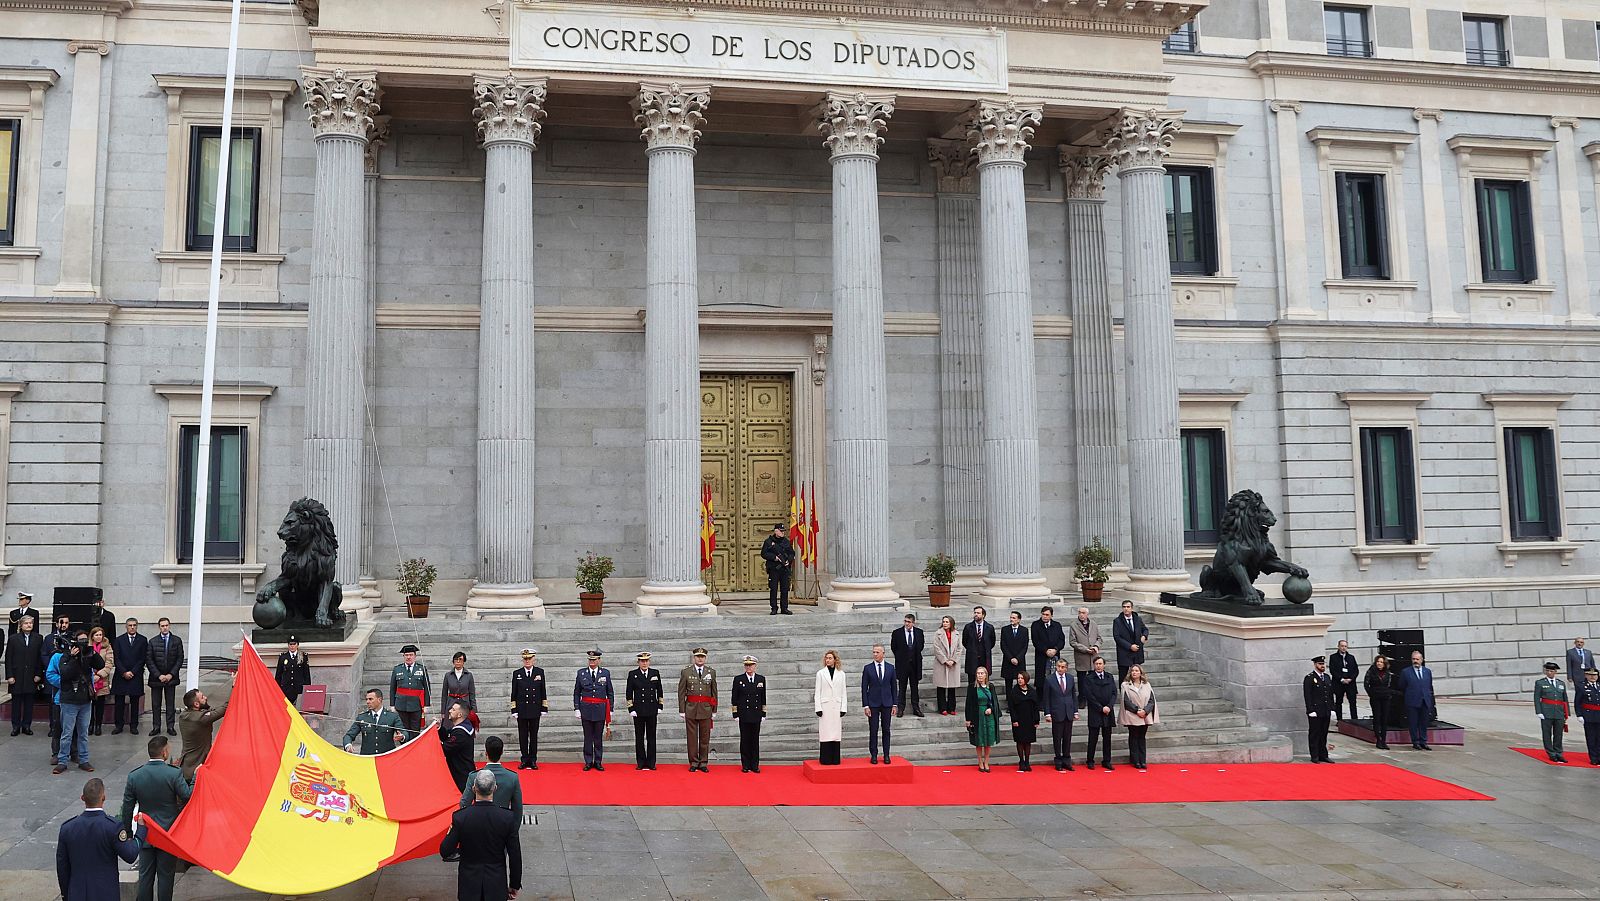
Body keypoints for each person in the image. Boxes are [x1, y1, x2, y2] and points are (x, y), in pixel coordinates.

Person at [122, 735, 191, 901]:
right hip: (167, 834)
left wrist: (130, 835)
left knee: (145, 876)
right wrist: (196, 777)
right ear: (165, 752)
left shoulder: (135, 776)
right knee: (166, 877)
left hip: (145, 834)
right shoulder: (173, 774)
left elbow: (127, 808)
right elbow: (187, 795)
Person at [440, 769, 522, 901]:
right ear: (495, 788)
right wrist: (514, 884)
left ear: (473, 788)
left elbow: (445, 850)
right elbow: (515, 855)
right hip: (496, 885)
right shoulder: (507, 818)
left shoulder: (461, 817)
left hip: (469, 886)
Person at [57, 777, 139, 901]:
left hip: (78, 894)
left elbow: (62, 867)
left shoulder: (67, 828)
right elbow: (130, 855)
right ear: (103, 798)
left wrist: (66, 894)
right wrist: (141, 831)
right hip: (106, 894)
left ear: (82, 798)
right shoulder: (112, 827)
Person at [48, 632, 104, 774]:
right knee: (67, 733)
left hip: (85, 700)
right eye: (81, 641)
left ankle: (84, 760)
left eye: (85, 640)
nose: (83, 643)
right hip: (69, 701)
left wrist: (91, 651)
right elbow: (65, 674)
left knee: (83, 733)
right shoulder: (64, 656)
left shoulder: (88, 655)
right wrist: (73, 657)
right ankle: (62, 761)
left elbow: (100, 664)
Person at [462, 735, 523, 817]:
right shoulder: (512, 777)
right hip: (503, 822)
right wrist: (513, 829)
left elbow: (464, 804)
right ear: (501, 752)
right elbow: (517, 809)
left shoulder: (474, 776)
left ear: (486, 753)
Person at [177, 685, 228, 782]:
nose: (205, 698)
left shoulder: (184, 715)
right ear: (196, 704)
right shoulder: (200, 718)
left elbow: (210, 711)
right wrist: (234, 686)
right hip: (196, 770)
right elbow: (225, 708)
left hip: (186, 767)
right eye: (202, 697)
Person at [677, 647, 715, 772]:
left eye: (702, 656)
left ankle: (703, 762)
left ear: (705, 658)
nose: (700, 658)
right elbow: (681, 692)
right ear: (694, 658)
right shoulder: (686, 672)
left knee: (705, 737)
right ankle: (693, 762)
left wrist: (714, 709)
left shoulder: (711, 672)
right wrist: (682, 709)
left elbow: (714, 692)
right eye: (698, 656)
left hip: (705, 709)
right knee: (692, 738)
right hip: (691, 708)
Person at [574, 649, 613, 771]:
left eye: (594, 660)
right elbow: (576, 692)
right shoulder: (581, 673)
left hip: (600, 709)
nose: (592, 662)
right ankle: (588, 761)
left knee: (598, 737)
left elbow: (610, 692)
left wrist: (610, 708)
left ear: (599, 660)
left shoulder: (605, 673)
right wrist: (577, 708)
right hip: (586, 708)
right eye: (590, 660)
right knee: (588, 737)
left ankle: (598, 761)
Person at [508, 649, 547, 770]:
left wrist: (544, 707)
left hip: (535, 709)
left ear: (534, 659)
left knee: (534, 736)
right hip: (522, 709)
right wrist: (514, 710)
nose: (527, 661)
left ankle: (533, 759)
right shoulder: (517, 673)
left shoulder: (539, 672)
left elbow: (542, 691)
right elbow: (513, 693)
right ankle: (524, 759)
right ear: (522, 660)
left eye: (529, 658)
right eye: (525, 659)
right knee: (523, 736)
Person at [145, 618, 183, 737]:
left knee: (170, 703)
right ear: (159, 627)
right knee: (156, 704)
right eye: (162, 626)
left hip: (171, 677)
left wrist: (171, 674)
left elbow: (179, 658)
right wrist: (159, 675)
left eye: (166, 625)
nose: (164, 627)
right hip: (157, 678)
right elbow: (149, 660)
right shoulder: (153, 641)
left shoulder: (176, 640)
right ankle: (156, 726)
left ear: (169, 626)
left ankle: (170, 726)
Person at [5, 613, 41, 736]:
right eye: (26, 623)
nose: (29, 625)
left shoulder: (38, 638)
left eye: (30, 623)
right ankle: (15, 726)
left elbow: (39, 659)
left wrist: (38, 674)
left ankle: (26, 725)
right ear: (21, 625)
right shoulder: (13, 639)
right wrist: (9, 675)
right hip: (17, 676)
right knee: (16, 703)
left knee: (29, 703)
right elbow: (8, 658)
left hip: (31, 676)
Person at [625, 651, 663, 770]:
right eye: (642, 661)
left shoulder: (655, 673)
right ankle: (641, 762)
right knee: (639, 737)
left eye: (646, 661)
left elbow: (659, 690)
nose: (644, 663)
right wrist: (631, 708)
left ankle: (651, 762)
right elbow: (629, 692)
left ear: (649, 661)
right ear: (638, 662)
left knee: (652, 737)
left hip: (652, 709)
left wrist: (660, 705)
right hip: (639, 710)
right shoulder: (633, 674)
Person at [861, 643, 896, 764]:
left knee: (886, 730)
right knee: (873, 730)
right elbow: (864, 688)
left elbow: (894, 687)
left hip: (887, 703)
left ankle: (886, 755)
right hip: (873, 703)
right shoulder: (868, 668)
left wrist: (894, 704)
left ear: (883, 654)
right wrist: (866, 705)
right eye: (874, 652)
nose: (875, 654)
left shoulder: (891, 668)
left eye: (877, 652)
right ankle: (874, 755)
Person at [1119, 664, 1159, 770]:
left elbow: (1151, 700)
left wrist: (1145, 711)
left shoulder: (1147, 685)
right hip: (1132, 714)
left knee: (1142, 737)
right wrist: (1137, 710)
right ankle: (1135, 760)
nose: (1134, 672)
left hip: (1145, 715)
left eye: (1137, 671)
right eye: (1133, 671)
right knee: (1133, 736)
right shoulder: (1125, 685)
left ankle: (1142, 760)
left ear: (1141, 673)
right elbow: (1126, 701)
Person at [731, 654, 767, 772]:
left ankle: (755, 765)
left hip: (756, 714)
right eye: (746, 665)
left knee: (755, 740)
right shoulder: (738, 679)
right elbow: (734, 698)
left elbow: (763, 697)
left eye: (751, 665)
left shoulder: (761, 679)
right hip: (744, 714)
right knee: (745, 740)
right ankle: (745, 765)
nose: (748, 667)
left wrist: (763, 713)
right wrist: (735, 714)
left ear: (755, 666)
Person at [344, 688, 406, 755]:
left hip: (387, 757)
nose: (367, 702)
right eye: (366, 699)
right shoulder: (362, 717)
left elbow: (404, 732)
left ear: (379, 700)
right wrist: (348, 745)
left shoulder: (392, 716)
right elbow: (349, 735)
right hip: (368, 758)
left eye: (370, 699)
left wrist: (402, 736)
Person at [112, 619, 147, 734]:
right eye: (130, 625)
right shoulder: (119, 640)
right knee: (119, 702)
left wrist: (133, 672)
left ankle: (133, 725)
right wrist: (124, 672)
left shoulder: (142, 640)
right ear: (126, 627)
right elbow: (116, 658)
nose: (132, 627)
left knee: (135, 701)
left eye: (134, 625)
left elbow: (142, 658)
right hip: (121, 675)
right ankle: (119, 725)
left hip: (135, 675)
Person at [1081, 656, 1117, 770]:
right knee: (1093, 737)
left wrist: (1109, 706)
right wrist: (1100, 708)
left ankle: (1107, 760)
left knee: (1107, 738)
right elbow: (1089, 695)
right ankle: (1090, 760)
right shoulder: (1088, 678)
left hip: (1108, 711)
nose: (1098, 666)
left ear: (1104, 665)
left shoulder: (1109, 676)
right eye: (1096, 663)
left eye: (1100, 663)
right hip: (1095, 711)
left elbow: (1114, 693)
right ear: (1093, 665)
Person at [1043, 658, 1078, 771]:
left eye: (1063, 667)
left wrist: (1075, 711)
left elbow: (1073, 696)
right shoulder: (1049, 679)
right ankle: (1058, 760)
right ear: (1056, 667)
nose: (1060, 669)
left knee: (1067, 738)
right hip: (1056, 712)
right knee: (1057, 738)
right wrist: (1047, 713)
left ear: (1066, 668)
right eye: (1059, 666)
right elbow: (1046, 698)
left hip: (1068, 712)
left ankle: (1067, 760)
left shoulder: (1070, 678)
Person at [390, 643, 430, 742]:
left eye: (411, 655)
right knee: (402, 730)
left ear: (415, 656)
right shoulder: (397, 669)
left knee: (415, 731)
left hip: (416, 705)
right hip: (401, 705)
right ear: (403, 656)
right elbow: (392, 688)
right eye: (406, 655)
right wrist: (392, 704)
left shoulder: (421, 669)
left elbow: (427, 687)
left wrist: (426, 704)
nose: (409, 657)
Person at [44, 614, 73, 751]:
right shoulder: (49, 639)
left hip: (74, 692)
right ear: (57, 624)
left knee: (74, 727)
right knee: (57, 722)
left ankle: (74, 752)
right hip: (58, 685)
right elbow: (44, 655)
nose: (64, 625)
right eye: (62, 623)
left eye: (66, 622)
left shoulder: (72, 638)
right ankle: (56, 752)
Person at [965, 666, 1000, 772]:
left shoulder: (991, 687)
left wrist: (991, 709)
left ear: (986, 675)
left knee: (988, 740)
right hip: (977, 715)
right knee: (979, 740)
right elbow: (968, 704)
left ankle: (986, 762)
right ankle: (980, 761)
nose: (980, 675)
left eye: (982, 673)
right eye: (978, 673)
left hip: (989, 716)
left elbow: (995, 702)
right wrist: (968, 719)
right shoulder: (972, 687)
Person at [814, 650, 847, 765]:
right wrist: (818, 707)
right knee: (825, 732)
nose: (828, 660)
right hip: (825, 707)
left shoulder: (841, 674)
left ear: (835, 659)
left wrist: (843, 708)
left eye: (830, 658)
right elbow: (817, 692)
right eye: (826, 658)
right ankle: (825, 759)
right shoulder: (820, 673)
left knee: (836, 733)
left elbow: (844, 692)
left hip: (836, 707)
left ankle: (835, 759)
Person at [1398, 650, 1435, 750]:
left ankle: (1423, 741)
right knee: (1413, 723)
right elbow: (1402, 685)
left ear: (1422, 660)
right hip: (1412, 701)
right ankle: (1415, 741)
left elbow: (1429, 686)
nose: (1415, 661)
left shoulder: (1427, 672)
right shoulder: (1406, 672)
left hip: (1425, 701)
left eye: (1417, 659)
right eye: (1413, 659)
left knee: (1424, 722)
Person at [889, 613, 925, 717]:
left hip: (915, 664)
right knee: (902, 686)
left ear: (913, 623)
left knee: (915, 687)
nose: (906, 624)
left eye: (909, 622)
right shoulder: (897, 633)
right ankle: (901, 708)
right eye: (905, 621)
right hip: (902, 664)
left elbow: (920, 646)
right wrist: (902, 657)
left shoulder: (919, 632)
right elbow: (894, 647)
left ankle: (916, 707)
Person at [1534, 661, 1568, 763]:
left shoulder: (1561, 684)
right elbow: (1536, 698)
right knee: (1547, 733)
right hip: (1546, 712)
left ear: (1555, 672)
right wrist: (1539, 711)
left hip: (1559, 712)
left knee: (1558, 734)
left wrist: (1566, 713)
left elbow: (1564, 700)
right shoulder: (1540, 683)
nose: (1549, 673)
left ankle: (1559, 753)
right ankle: (1551, 753)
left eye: (1552, 671)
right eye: (1547, 670)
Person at [1008, 670, 1041, 772]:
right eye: (1018, 678)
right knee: (1020, 741)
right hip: (1019, 719)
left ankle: (1027, 761)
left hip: (1030, 719)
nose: (1020, 680)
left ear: (1026, 679)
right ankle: (1021, 761)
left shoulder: (1032, 691)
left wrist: (1036, 720)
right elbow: (1011, 707)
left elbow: (1036, 707)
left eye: (1022, 678)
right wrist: (1014, 720)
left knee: (1028, 741)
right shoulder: (1014, 691)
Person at [440, 701, 478, 790]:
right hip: (461, 771)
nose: (449, 711)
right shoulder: (462, 727)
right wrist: (439, 728)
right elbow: (448, 735)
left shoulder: (461, 732)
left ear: (459, 715)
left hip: (461, 774)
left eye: (453, 710)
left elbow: (446, 748)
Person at [1303, 656, 1334, 763]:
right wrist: (1310, 710)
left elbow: (1330, 694)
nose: (1322, 666)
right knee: (1314, 733)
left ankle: (1323, 755)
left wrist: (1332, 708)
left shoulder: (1326, 677)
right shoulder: (1310, 678)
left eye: (1323, 664)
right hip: (1315, 711)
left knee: (1324, 733)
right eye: (1320, 664)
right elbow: (1308, 696)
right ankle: (1314, 755)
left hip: (1325, 710)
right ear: (1315, 665)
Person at [930, 615, 963, 715]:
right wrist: (945, 660)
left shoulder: (956, 634)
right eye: (943, 621)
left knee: (952, 687)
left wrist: (953, 660)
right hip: (941, 664)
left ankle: (951, 708)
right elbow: (936, 648)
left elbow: (959, 648)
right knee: (941, 687)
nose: (945, 623)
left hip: (953, 664)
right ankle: (942, 708)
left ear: (951, 623)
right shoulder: (938, 634)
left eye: (947, 622)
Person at [760, 523, 796, 615]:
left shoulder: (786, 542)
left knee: (785, 589)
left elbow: (792, 553)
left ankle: (784, 608)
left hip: (784, 569)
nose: (783, 533)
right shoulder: (768, 542)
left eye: (783, 531)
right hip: (774, 569)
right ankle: (774, 608)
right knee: (774, 588)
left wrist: (788, 560)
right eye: (781, 531)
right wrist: (774, 558)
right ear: (776, 531)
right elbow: (764, 554)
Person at [1363, 654, 1395, 750]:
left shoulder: (1387, 673)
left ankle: (1384, 740)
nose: (1379, 664)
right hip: (1375, 697)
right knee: (1377, 717)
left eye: (1381, 662)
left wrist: (1388, 694)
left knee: (1384, 718)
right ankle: (1378, 740)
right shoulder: (1371, 671)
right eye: (1378, 662)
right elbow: (1366, 683)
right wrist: (1371, 693)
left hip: (1385, 697)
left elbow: (1389, 684)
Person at [1112, 600, 1148, 683]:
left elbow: (1145, 629)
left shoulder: (1137, 619)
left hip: (1137, 652)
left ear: (1132, 608)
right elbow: (1117, 637)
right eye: (1124, 607)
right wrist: (1130, 646)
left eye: (1128, 607)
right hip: (1124, 652)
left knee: (1137, 674)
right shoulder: (1117, 621)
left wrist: (1144, 636)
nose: (1126, 609)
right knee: (1123, 675)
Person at [1031, 606, 1066, 689]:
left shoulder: (1057, 625)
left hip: (1055, 655)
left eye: (1047, 615)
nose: (1045, 616)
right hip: (1041, 656)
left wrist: (1055, 649)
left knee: (1055, 678)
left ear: (1051, 616)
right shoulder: (1036, 625)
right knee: (1041, 679)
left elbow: (1061, 640)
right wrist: (1046, 650)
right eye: (1043, 614)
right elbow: (1035, 641)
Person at [1068, 607, 1103, 690]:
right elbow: (1072, 642)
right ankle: (1082, 699)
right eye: (1079, 612)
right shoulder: (1074, 625)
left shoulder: (1093, 624)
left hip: (1093, 657)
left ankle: (1093, 698)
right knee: (1082, 680)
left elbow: (1099, 638)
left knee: (1093, 680)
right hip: (1081, 657)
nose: (1081, 614)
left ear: (1087, 614)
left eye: (1083, 613)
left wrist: (1096, 646)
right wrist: (1085, 649)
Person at [87, 626, 113, 736]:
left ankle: (98, 725)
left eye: (100, 635)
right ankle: (90, 724)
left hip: (101, 680)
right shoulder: (87, 647)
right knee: (89, 705)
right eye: (96, 635)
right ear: (92, 636)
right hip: (89, 680)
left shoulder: (107, 647)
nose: (99, 637)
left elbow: (109, 663)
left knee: (99, 705)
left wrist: (99, 675)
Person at [444, 651, 478, 728]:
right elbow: (444, 694)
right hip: (451, 703)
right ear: (453, 662)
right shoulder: (448, 675)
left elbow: (472, 693)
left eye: (460, 660)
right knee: (450, 726)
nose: (458, 662)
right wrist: (443, 711)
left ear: (464, 662)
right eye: (456, 660)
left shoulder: (469, 675)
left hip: (465, 703)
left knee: (465, 725)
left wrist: (474, 709)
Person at [275, 637, 311, 707]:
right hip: (286, 689)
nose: (292, 646)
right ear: (288, 645)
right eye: (290, 644)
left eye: (294, 644)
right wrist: (277, 689)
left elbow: (306, 674)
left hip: (298, 689)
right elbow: (278, 674)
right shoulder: (283, 657)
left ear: (297, 645)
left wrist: (307, 689)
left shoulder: (303, 656)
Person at [999, 611, 1029, 695]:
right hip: (1008, 660)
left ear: (1019, 620)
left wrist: (1017, 658)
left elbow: (1025, 646)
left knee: (1021, 681)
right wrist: (1011, 658)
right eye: (1011, 617)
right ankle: (1009, 702)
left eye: (1014, 618)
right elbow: (1003, 645)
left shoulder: (1024, 630)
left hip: (1020, 661)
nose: (1011, 619)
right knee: (1008, 683)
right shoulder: (1005, 629)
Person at [961, 607, 994, 682]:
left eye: (978, 613)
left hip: (984, 658)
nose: (976, 614)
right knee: (972, 681)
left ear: (983, 615)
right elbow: (964, 642)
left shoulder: (990, 627)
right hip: (972, 658)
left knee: (984, 681)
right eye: (975, 612)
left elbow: (992, 642)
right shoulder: (968, 627)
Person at [1329, 639, 1359, 722]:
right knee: (1339, 702)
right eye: (1342, 646)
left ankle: (1354, 720)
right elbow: (1333, 670)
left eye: (1345, 646)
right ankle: (1339, 720)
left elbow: (1356, 670)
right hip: (1339, 683)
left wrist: (1351, 679)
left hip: (1350, 683)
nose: (1343, 648)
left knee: (1352, 702)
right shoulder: (1333, 657)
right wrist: (1341, 679)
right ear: (1338, 647)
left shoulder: (1351, 657)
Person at [1577, 666, 1600, 766]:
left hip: (1599, 715)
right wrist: (1579, 715)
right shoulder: (1582, 686)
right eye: (1590, 675)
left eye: (1594, 675)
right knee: (1591, 738)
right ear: (1586, 675)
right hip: (1589, 715)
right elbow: (1578, 702)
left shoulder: (1599, 686)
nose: (1592, 677)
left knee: (1599, 738)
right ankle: (1594, 757)